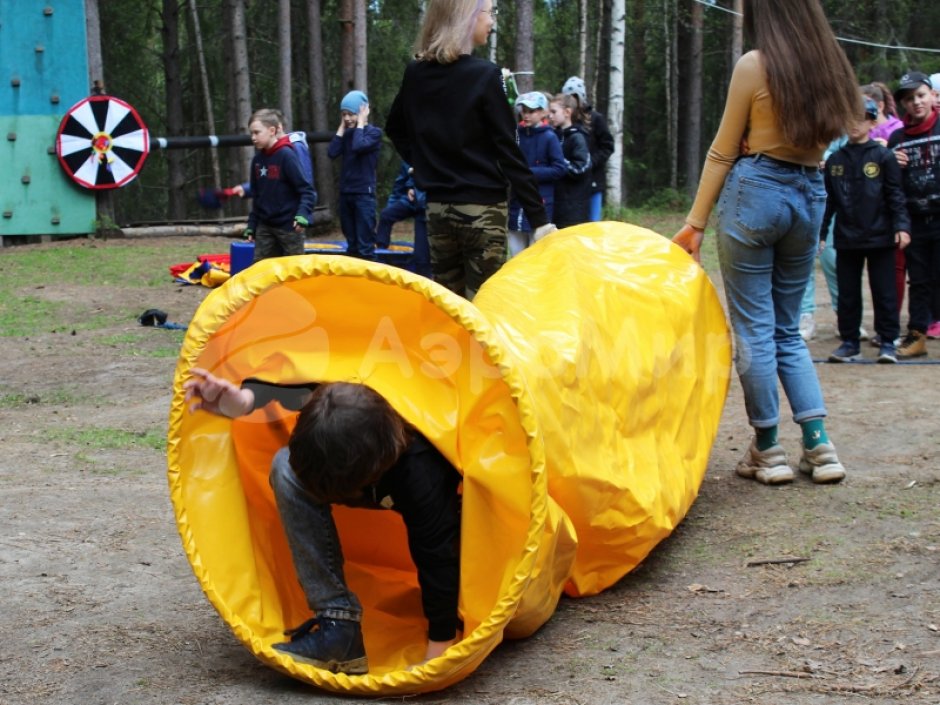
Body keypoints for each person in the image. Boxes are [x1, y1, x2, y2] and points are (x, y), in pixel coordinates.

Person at [672, 0, 860, 486]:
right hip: (810, 193)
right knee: (784, 328)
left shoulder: (755, 65)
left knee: (755, 329)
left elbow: (722, 149)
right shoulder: (833, 65)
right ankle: (819, 446)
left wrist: (695, 223)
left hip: (756, 193)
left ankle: (769, 449)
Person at [182, 369, 461, 674]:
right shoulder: (324, 394)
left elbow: (437, 556)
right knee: (284, 467)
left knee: (447, 538)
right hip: (357, 458)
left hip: (417, 478)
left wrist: (439, 648)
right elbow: (281, 381)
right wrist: (240, 401)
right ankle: (338, 623)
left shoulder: (422, 475)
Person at [385, 0, 556, 299]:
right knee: (485, 306)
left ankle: (449, 347)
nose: (493, 22)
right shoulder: (485, 75)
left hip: (438, 209)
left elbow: (395, 129)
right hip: (482, 211)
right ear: (468, 17)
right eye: (489, 13)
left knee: (450, 307)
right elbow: (509, 151)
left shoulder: (416, 73)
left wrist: (424, 165)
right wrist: (539, 221)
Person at [824, 98, 911, 364]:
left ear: (872, 122)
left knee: (884, 291)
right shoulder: (835, 160)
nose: (854, 124)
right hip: (847, 236)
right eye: (849, 118)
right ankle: (850, 342)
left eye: (861, 118)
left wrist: (901, 227)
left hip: (880, 236)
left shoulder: (883, 156)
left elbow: (895, 194)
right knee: (848, 292)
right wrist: (820, 233)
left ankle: (887, 342)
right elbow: (830, 201)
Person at [888, 72, 940, 357]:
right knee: (919, 279)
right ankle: (917, 335)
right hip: (915, 219)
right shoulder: (897, 139)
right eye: (909, 99)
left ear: (932, 96)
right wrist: (891, 163)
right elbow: (890, 186)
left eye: (920, 95)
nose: (916, 102)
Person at [244, 108, 317, 262]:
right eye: (251, 133)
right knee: (261, 269)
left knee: (294, 271)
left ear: (272, 130)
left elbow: (306, 190)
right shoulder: (257, 161)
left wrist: (303, 214)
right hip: (265, 226)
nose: (253, 137)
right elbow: (257, 196)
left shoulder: (287, 155)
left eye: (257, 132)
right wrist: (252, 224)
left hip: (289, 226)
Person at [508, 91, 566, 256]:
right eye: (524, 110)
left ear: (543, 112)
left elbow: (559, 168)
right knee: (515, 254)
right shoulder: (516, 135)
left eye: (531, 111)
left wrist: (529, 173)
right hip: (516, 202)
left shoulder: (549, 137)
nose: (526, 115)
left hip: (541, 202)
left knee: (537, 253)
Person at [328, 90, 383, 261]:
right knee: (351, 245)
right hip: (346, 194)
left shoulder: (374, 133)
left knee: (365, 245)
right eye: (344, 114)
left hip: (364, 196)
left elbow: (359, 146)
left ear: (362, 112)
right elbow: (332, 152)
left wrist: (360, 123)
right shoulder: (347, 133)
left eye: (351, 114)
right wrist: (342, 127)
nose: (347, 118)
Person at [561, 76, 615, 221]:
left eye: (574, 97)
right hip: (571, 184)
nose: (572, 101)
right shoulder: (564, 122)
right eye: (568, 97)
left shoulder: (596, 119)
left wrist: (591, 162)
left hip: (593, 181)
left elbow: (608, 146)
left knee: (592, 224)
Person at [376, 161, 432, 277]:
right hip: (412, 201)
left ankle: (426, 282)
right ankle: (381, 254)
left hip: (427, 207)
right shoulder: (408, 158)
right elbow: (399, 185)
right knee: (386, 215)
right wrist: (410, 188)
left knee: (421, 258)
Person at [548, 92, 592, 229]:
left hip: (573, 210)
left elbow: (580, 168)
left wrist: (558, 161)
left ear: (567, 112)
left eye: (554, 112)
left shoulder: (577, 137)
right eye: (549, 112)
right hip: (556, 206)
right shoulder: (553, 136)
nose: (550, 116)